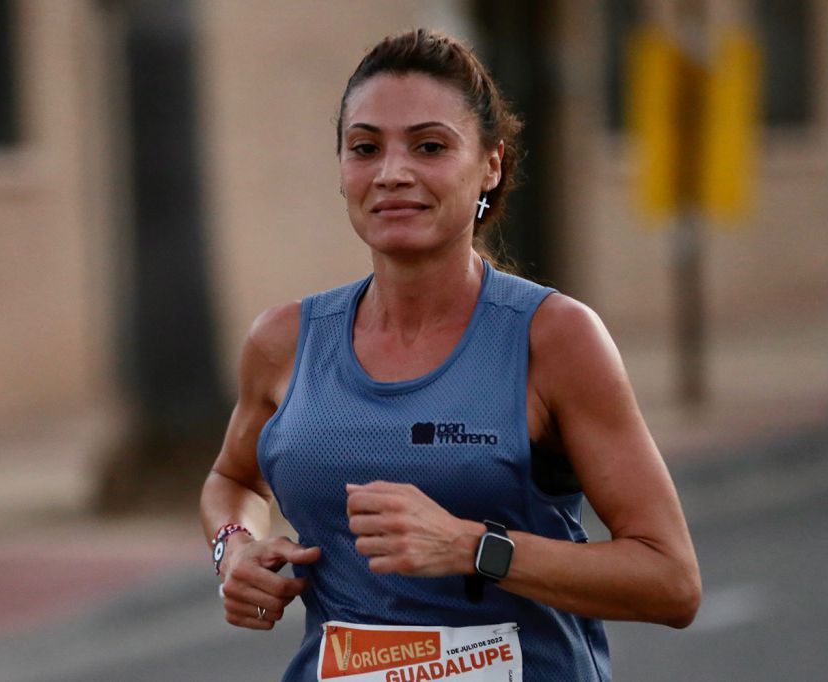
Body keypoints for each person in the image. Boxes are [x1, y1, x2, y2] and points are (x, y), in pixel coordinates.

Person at [200, 28, 700, 681]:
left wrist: (474, 548)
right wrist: (234, 550)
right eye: (365, 148)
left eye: (430, 146)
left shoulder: (554, 338)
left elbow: (671, 580)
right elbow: (233, 481)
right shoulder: (284, 341)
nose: (392, 173)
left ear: (490, 165)